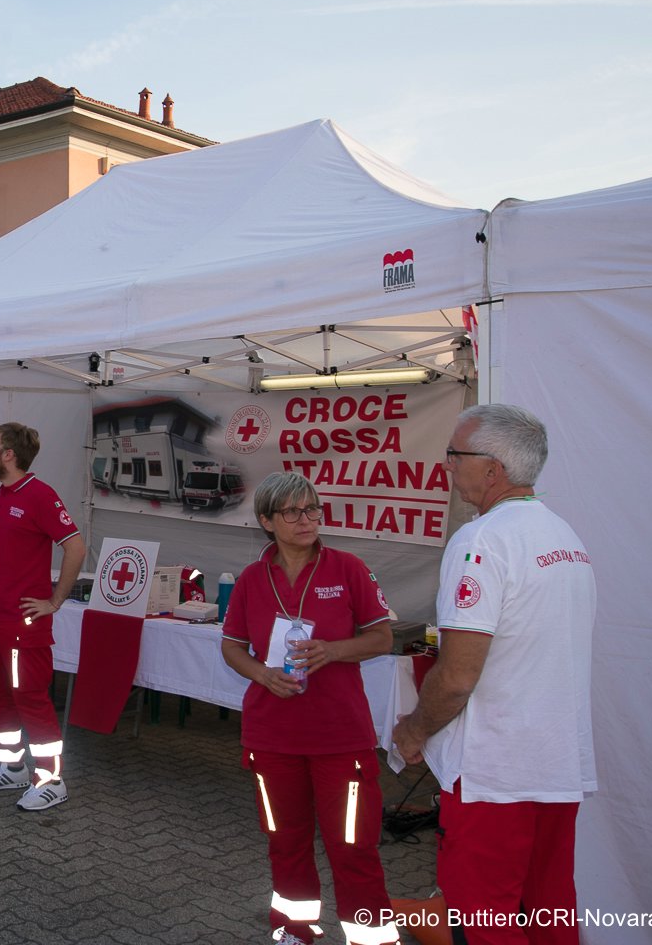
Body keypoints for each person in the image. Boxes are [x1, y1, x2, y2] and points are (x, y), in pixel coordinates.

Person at [392, 405, 595, 945]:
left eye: (454, 455)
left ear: (491, 468)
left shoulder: (481, 540)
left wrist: (414, 728)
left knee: (485, 919)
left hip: (496, 771)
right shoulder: (564, 536)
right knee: (549, 909)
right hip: (556, 763)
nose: (446, 466)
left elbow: (458, 675)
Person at [220, 471, 399, 945]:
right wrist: (262, 674)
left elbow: (382, 636)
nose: (307, 519)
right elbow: (232, 646)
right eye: (293, 512)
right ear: (266, 520)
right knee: (285, 842)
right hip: (272, 737)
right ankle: (295, 930)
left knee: (353, 848)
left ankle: (373, 939)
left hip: (341, 739)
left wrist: (332, 651)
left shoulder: (348, 569)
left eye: (313, 509)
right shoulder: (252, 579)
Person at [0, 422, 86, 811]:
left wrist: (55, 601)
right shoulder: (4, 495)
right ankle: (12, 768)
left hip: (21, 622)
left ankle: (51, 779)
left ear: (9, 454)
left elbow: (74, 547)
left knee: (30, 697)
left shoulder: (40, 495)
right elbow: (2, 549)